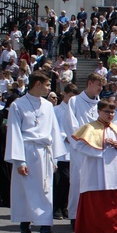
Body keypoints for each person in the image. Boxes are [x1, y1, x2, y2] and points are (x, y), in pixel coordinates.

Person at [4, 72, 66, 233]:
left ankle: (46, 231)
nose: (49, 89)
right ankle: (25, 227)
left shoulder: (47, 106)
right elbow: (14, 132)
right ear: (37, 84)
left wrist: (54, 158)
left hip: (45, 153)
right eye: (47, 85)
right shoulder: (18, 105)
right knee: (26, 191)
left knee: (45, 191)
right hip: (27, 152)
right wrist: (19, 160)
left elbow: (53, 131)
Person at [71, 98, 117, 233]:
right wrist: (101, 149)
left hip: (114, 173)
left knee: (116, 206)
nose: (110, 115)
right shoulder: (89, 128)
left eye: (112, 112)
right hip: (95, 171)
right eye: (107, 112)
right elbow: (79, 145)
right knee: (97, 206)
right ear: (99, 111)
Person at [66, 73, 105, 226]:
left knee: (95, 184)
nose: (100, 89)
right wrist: (83, 144)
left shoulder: (100, 104)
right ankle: (75, 215)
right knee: (77, 181)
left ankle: (92, 216)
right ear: (89, 83)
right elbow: (71, 125)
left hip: (97, 150)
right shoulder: (75, 101)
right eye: (98, 85)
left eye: (102, 86)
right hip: (80, 150)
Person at [53, 84, 79, 219]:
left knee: (72, 181)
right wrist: (65, 136)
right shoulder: (56, 110)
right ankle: (57, 206)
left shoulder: (75, 109)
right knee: (64, 179)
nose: (72, 99)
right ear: (64, 94)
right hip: (62, 149)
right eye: (70, 96)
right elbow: (55, 128)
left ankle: (66, 206)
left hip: (74, 150)